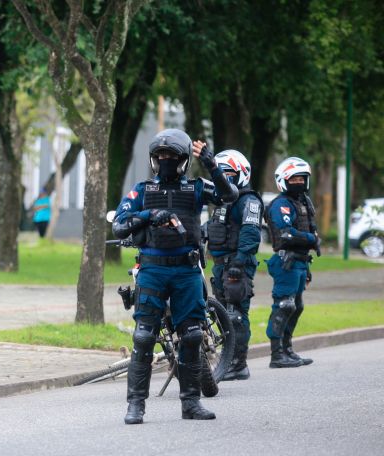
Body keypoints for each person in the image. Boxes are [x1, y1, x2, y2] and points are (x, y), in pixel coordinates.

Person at [112, 129, 238, 424]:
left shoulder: (196, 188)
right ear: (153, 160)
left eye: (171, 156)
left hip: (186, 270)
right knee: (144, 337)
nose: (165, 160)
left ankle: (191, 403)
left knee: (193, 336)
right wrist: (147, 216)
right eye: (160, 156)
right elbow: (119, 226)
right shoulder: (142, 191)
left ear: (183, 160)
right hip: (153, 270)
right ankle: (135, 406)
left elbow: (228, 196)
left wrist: (212, 164)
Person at [206, 150, 264, 381]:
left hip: (236, 265)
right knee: (222, 314)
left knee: (236, 314)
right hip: (220, 265)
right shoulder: (222, 201)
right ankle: (229, 360)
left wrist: (239, 264)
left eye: (229, 173)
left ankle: (238, 364)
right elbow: (212, 228)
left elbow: (250, 233)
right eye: (221, 174)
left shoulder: (248, 201)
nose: (224, 178)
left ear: (242, 174)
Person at [264, 157, 320, 368]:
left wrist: (306, 266)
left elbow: (307, 229)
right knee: (284, 305)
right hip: (285, 262)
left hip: (300, 262)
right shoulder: (281, 204)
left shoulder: (304, 202)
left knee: (297, 306)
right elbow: (286, 234)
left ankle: (287, 349)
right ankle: (276, 354)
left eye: (301, 178)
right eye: (293, 178)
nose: (298, 182)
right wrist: (311, 240)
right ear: (283, 180)